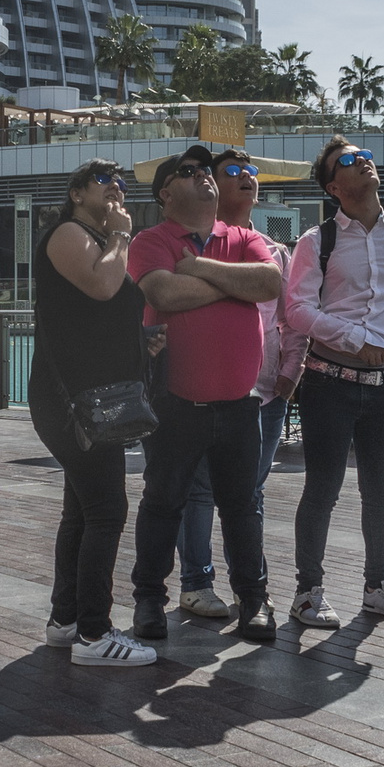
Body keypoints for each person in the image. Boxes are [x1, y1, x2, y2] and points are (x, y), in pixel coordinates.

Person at [126, 146, 282, 644]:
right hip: (174, 402)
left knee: (242, 507)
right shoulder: (149, 240)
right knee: (163, 502)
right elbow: (164, 295)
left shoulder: (244, 236)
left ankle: (254, 601)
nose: (206, 178)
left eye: (206, 171)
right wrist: (233, 283)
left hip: (239, 404)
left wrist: (196, 268)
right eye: (189, 173)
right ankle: (149, 600)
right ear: (166, 194)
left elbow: (270, 282)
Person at [281, 137, 384, 628]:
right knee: (322, 489)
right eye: (348, 160)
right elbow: (298, 309)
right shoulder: (317, 241)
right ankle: (308, 592)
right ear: (334, 185)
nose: (363, 161)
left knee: (381, 491)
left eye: (364, 154)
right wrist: (352, 338)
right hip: (328, 382)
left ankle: (378, 587)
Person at [30, 160, 161, 667]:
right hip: (73, 402)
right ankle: (94, 634)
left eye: (121, 184)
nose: (116, 190)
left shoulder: (95, 239)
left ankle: (66, 622)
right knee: (107, 510)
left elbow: (93, 317)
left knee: (82, 511)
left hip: (91, 397)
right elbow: (103, 287)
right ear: (76, 192)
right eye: (104, 181)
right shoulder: (68, 233)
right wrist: (123, 237)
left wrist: (140, 342)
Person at [173, 149, 303, 621]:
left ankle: (254, 591)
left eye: (251, 173)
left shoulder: (276, 251)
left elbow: (291, 320)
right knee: (201, 490)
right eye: (232, 172)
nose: (246, 178)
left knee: (249, 494)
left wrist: (289, 378)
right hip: (204, 389)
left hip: (264, 392)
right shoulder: (188, 245)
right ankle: (196, 583)